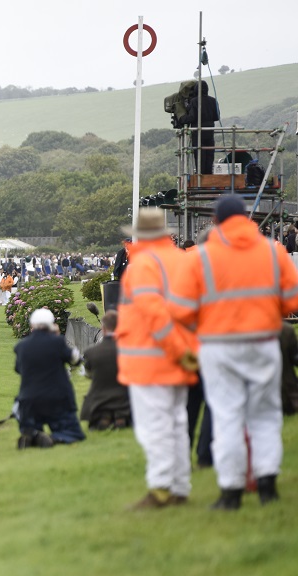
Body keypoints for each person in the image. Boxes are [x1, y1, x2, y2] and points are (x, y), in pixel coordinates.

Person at [180, 195, 298, 508]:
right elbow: (292, 300)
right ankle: (267, 485)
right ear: (245, 219)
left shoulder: (200, 258)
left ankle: (231, 492)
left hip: (218, 346)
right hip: (263, 341)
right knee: (265, 416)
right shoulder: (274, 252)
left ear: (216, 222)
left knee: (227, 415)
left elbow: (180, 310)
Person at [115, 208, 199, 509]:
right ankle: (179, 486)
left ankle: (161, 487)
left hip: (150, 357)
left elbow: (154, 313)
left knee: (156, 427)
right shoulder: (184, 260)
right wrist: (188, 352)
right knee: (176, 423)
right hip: (181, 354)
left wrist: (177, 350)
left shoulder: (143, 265)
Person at [13, 307, 86, 448]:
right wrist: (57, 335)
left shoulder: (22, 346)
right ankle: (56, 438)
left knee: (26, 416)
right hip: (57, 397)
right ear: (52, 324)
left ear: (32, 325)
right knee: (71, 431)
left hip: (29, 399)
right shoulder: (57, 342)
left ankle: (33, 434)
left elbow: (19, 369)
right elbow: (75, 359)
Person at [80, 310, 131, 430]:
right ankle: (120, 416)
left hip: (99, 400)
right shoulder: (129, 350)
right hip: (124, 398)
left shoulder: (91, 352)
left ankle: (105, 417)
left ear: (103, 328)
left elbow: (88, 374)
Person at [185, 80, 220, 176]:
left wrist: (183, 118)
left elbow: (192, 117)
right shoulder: (213, 100)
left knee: (199, 154)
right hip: (210, 132)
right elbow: (217, 117)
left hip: (198, 132)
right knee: (209, 154)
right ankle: (209, 175)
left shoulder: (194, 101)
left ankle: (200, 175)